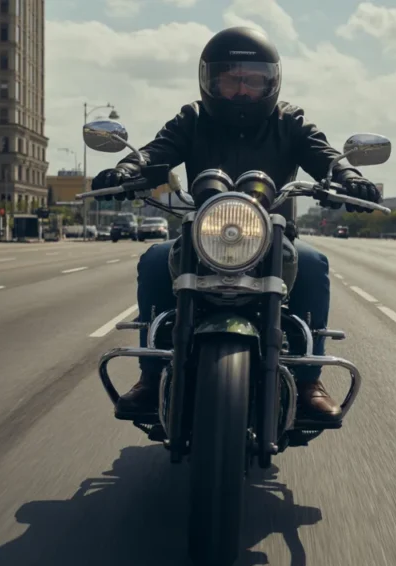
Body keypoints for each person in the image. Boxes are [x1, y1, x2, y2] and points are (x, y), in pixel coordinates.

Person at [91, 26, 380, 423]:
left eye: (252, 79)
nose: (241, 90)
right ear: (211, 79)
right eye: (231, 79)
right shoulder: (192, 119)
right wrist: (128, 167)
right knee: (156, 260)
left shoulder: (290, 121)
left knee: (313, 265)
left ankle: (310, 381)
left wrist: (348, 177)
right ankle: (151, 375)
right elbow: (157, 150)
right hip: (201, 238)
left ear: (270, 82)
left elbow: (325, 155)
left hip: (274, 239)